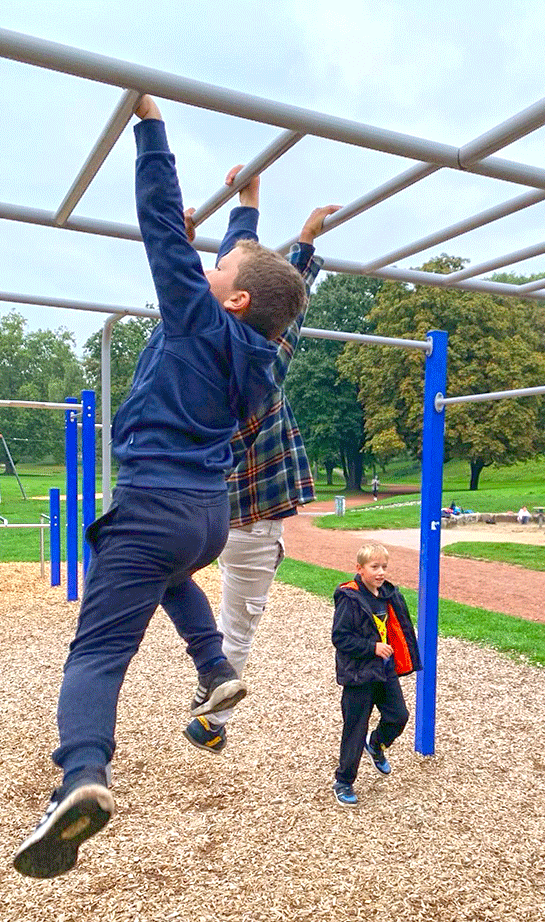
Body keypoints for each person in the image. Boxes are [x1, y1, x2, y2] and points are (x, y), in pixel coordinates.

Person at [13, 95, 309, 879]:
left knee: (98, 651)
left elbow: (158, 229)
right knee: (172, 576)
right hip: (206, 515)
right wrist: (247, 207)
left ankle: (80, 776)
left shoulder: (197, 320)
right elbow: (244, 270)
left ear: (232, 298)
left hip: (155, 505)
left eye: (217, 267)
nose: (206, 266)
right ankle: (214, 668)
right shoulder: (254, 353)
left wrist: (150, 126)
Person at [183, 197, 341, 754]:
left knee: (177, 583)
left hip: (202, 507)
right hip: (251, 517)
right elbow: (280, 305)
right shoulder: (262, 367)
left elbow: (246, 281)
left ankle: (202, 686)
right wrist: (304, 242)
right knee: (240, 620)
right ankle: (212, 716)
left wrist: (249, 208)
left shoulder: (195, 358)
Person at [331, 543, 421, 807]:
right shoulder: (350, 598)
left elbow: (400, 627)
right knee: (354, 728)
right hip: (359, 675)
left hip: (385, 671)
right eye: (374, 567)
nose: (381, 572)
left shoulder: (389, 595)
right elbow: (340, 637)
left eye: (384, 567)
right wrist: (371, 647)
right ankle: (343, 781)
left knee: (398, 715)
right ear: (359, 569)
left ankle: (377, 743)